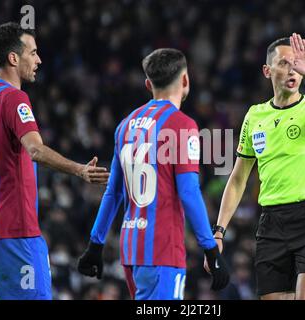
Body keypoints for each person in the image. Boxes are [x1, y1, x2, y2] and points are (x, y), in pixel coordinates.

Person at [0, 22, 109, 300]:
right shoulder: (15, 99)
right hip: (13, 231)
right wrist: (80, 169)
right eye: (34, 53)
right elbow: (36, 151)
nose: (39, 60)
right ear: (13, 58)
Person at [208, 33, 305, 300]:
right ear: (267, 70)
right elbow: (239, 178)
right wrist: (218, 232)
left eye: (297, 64)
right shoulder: (255, 116)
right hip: (271, 222)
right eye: (285, 63)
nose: (293, 70)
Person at [77, 48, 230, 300]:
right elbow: (189, 192)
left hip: (131, 249)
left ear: (148, 84)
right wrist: (211, 250)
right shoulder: (182, 125)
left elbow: (113, 192)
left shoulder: (125, 125)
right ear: (185, 80)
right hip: (162, 250)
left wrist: (96, 243)